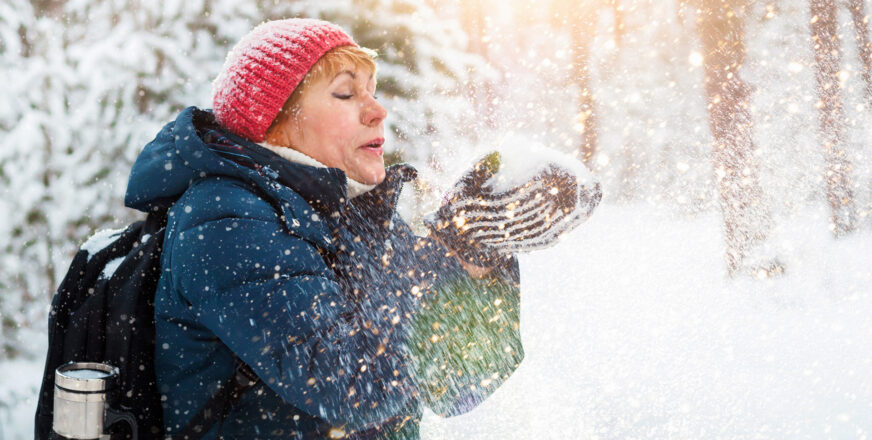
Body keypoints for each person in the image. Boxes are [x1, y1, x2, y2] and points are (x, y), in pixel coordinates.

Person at [125, 18, 598, 439]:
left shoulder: (354, 215)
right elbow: (352, 383)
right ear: (273, 123)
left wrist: (475, 256)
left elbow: (459, 385)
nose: (377, 110)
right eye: (346, 94)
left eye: (372, 91)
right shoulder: (226, 222)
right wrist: (447, 254)